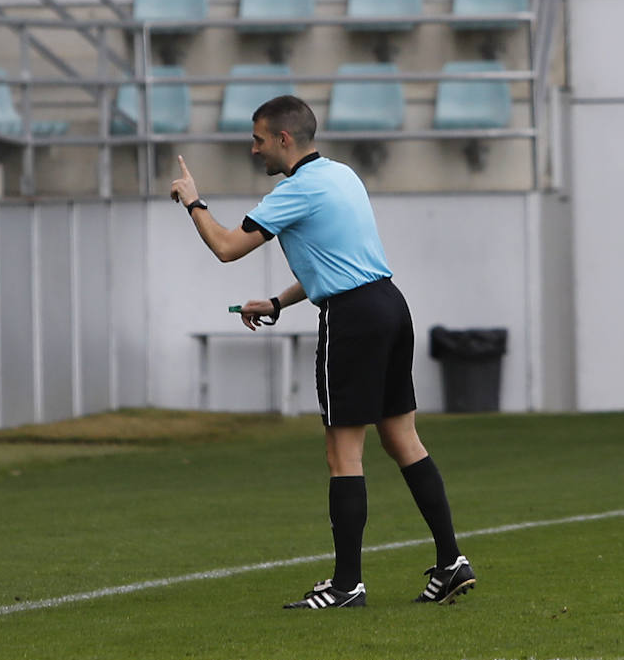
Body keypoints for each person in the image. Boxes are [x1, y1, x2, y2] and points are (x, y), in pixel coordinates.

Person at [169, 94, 475, 610]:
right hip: (389, 305)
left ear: (283, 139)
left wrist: (193, 202)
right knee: (403, 440)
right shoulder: (342, 175)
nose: (254, 149)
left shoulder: (295, 191)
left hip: (353, 320)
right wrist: (277, 302)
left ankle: (347, 584)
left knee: (342, 454)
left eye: (259, 140)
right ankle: (451, 563)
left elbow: (226, 247)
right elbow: (336, 261)